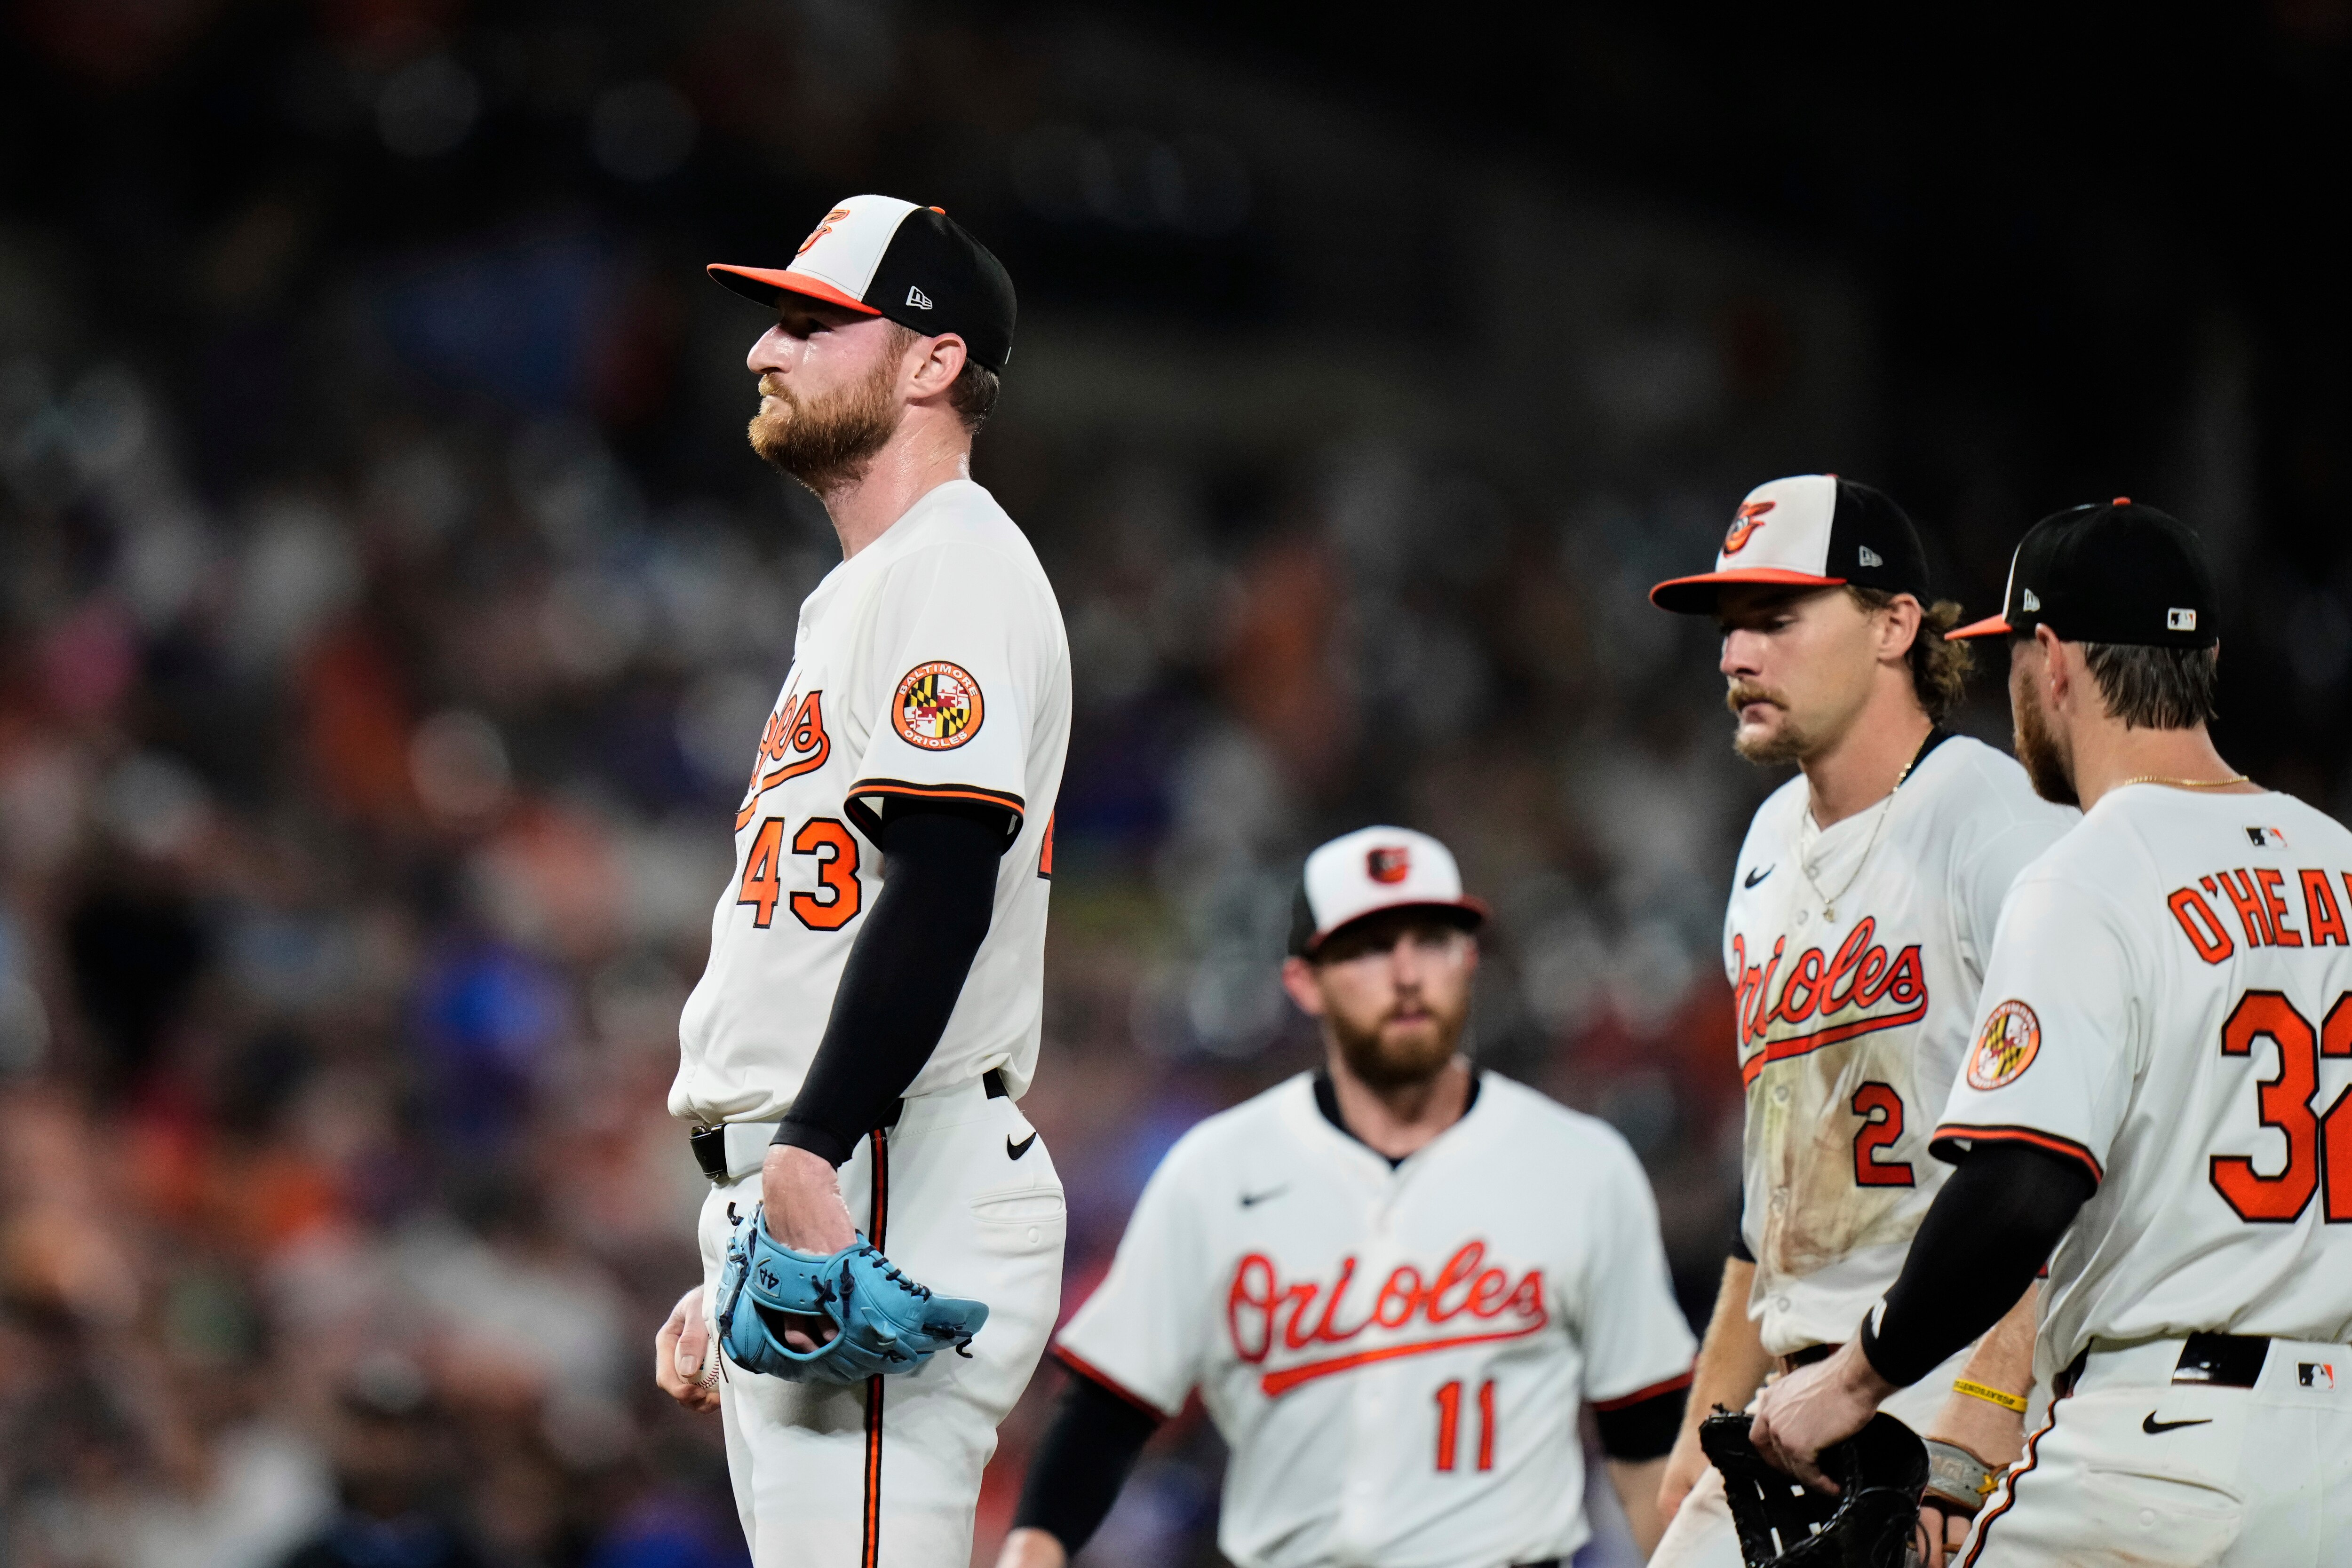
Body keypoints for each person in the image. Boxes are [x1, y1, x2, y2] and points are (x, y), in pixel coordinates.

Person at [1752, 499, 2352, 1565]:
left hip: (2158, 1448)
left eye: (2014, 660)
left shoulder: (2089, 870)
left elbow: (2022, 1185)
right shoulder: (2338, 862)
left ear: (2052, 660)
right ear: (2200, 657)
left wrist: (1850, 1379)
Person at [646, 194, 1072, 1568]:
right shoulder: (878, 582)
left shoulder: (952, 561)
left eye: (812, 322)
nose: (766, 351)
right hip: (844, 1161)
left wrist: (810, 1151)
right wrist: (744, 1220)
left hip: (893, 1156)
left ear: (933, 362)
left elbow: (944, 881)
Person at [994, 826, 1694, 1568]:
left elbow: (1648, 1439)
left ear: (1468, 960)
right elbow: (1106, 1411)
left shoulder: (1579, 1168)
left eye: (1430, 940)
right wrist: (1031, 1552)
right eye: (1366, 947)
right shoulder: (1217, 1171)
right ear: (1305, 981)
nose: (1405, 974)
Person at [1644, 475, 2076, 1567]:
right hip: (1793, 1395)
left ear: (1894, 625)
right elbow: (1772, 1182)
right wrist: (1713, 1405)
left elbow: (2071, 1152)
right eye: (1730, 627)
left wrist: (1985, 1405)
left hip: (1948, 1372)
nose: (1736, 656)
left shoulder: (1998, 824)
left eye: (1776, 619)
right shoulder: (1762, 846)